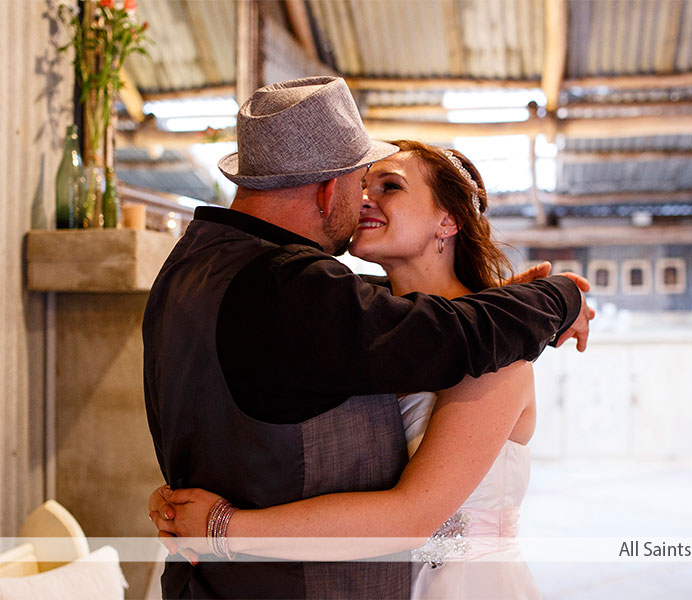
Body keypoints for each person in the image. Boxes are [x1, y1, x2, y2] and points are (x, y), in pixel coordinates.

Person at [143, 76, 592, 599]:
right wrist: (557, 298)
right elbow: (439, 329)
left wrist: (221, 524)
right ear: (327, 191)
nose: (365, 200)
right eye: (364, 182)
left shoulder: (196, 265)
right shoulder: (322, 301)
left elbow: (412, 510)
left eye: (389, 186)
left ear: (447, 221)